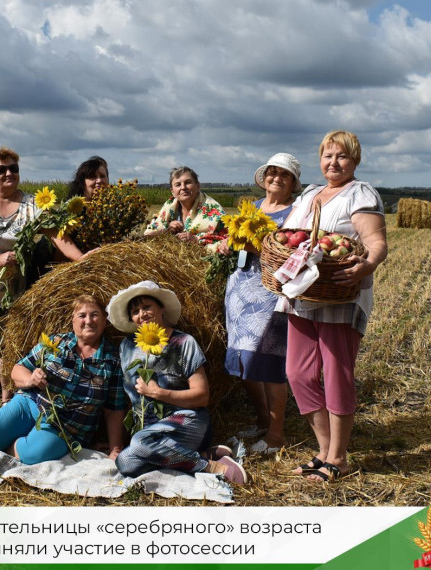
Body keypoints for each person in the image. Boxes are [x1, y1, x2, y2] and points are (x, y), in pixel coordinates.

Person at [0, 147, 90, 421]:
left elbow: (56, 234)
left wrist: (83, 260)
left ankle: (6, 401)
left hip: (8, 291)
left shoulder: (32, 205)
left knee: (8, 345)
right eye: (1, 170)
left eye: (13, 168)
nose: (8, 173)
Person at [276, 131, 388, 482]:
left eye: (342, 156)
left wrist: (368, 264)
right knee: (298, 373)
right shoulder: (310, 193)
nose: (333, 162)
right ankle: (324, 449)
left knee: (336, 373)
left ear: (355, 160)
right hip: (303, 293)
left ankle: (338, 458)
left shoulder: (360, 193)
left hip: (339, 292)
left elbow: (375, 241)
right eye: (327, 155)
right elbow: (290, 236)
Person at [0, 295, 126, 462]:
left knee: (33, 454)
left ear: (104, 321)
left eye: (95, 315)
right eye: (81, 316)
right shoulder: (57, 342)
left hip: (68, 425)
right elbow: (18, 369)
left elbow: (113, 410)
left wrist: (115, 448)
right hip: (32, 402)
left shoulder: (112, 360)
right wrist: (30, 379)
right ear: (73, 322)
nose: (88, 321)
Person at [106, 281, 247, 484]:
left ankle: (212, 467)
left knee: (140, 442)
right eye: (135, 311)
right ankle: (201, 456)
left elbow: (202, 396)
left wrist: (159, 393)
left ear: (161, 308)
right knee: (125, 463)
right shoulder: (127, 347)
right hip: (150, 430)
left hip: (187, 421)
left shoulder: (183, 342)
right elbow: (127, 396)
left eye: (147, 307)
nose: (142, 314)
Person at [222, 153, 301, 454]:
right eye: (272, 172)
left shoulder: (296, 214)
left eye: (284, 174)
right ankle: (261, 421)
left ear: (293, 182)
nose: (276, 178)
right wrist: (226, 243)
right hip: (241, 290)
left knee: (270, 363)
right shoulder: (251, 209)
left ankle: (276, 436)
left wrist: (255, 246)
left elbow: (293, 253)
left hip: (272, 293)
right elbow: (235, 241)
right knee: (247, 361)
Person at [144, 167, 227, 253]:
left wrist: (196, 240)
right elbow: (147, 235)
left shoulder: (213, 208)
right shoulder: (169, 205)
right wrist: (168, 230)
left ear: (198, 186)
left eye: (188, 182)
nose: (183, 187)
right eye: (178, 185)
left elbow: (226, 241)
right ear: (172, 191)